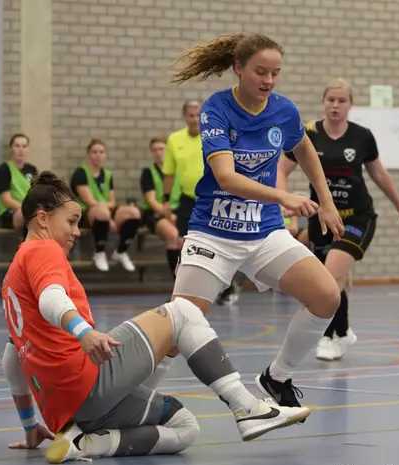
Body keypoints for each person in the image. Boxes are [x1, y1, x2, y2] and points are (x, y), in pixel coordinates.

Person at [0, 172, 310, 464]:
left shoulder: (13, 275)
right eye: (71, 221)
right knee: (183, 312)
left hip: (67, 412)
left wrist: (30, 424)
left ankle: (84, 443)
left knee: (185, 426)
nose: (77, 231)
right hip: (88, 385)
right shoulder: (43, 250)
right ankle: (247, 407)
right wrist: (84, 333)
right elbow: (51, 298)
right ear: (42, 217)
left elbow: (12, 358)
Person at [159, 32, 344, 410]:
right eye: (261, 71)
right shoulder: (216, 108)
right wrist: (283, 195)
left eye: (275, 73)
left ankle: (277, 377)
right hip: (214, 233)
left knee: (327, 296)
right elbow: (226, 177)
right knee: (177, 331)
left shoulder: (284, 111)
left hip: (263, 232)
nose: (269, 81)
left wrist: (325, 200)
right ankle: (128, 399)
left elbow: (303, 147)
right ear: (239, 68)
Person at [278, 78, 399, 361]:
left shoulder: (362, 136)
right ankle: (344, 332)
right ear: (323, 103)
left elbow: (379, 174)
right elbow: (282, 169)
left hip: (357, 218)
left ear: (350, 104)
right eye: (331, 100)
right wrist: (284, 201)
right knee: (329, 282)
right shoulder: (309, 134)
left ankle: (330, 337)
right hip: (322, 220)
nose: (336, 106)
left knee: (331, 274)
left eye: (342, 101)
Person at [160, 100, 242, 305]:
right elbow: (169, 172)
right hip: (188, 199)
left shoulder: (214, 135)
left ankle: (227, 286)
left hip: (214, 196)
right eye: (191, 115)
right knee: (181, 242)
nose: (195, 119)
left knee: (219, 242)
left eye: (198, 115)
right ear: (185, 117)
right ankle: (181, 289)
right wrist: (166, 199)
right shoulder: (174, 140)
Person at [70, 138, 141, 273]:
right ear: (88, 154)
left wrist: (108, 212)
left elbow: (112, 201)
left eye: (101, 152)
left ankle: (121, 251)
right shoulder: (81, 173)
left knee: (133, 212)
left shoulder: (107, 174)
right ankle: (99, 252)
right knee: (102, 213)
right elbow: (89, 201)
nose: (98, 155)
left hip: (105, 211)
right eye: (94, 152)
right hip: (85, 213)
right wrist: (108, 217)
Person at [139, 137, 182, 277]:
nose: (158, 153)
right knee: (172, 234)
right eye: (155, 150)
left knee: (186, 239)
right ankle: (176, 280)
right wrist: (167, 214)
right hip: (154, 213)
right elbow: (151, 200)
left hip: (177, 211)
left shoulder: (179, 170)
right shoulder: (148, 173)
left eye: (161, 149)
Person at [0, 133, 38, 232]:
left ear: (28, 149)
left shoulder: (32, 169)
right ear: (11, 148)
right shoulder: (4, 169)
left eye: (24, 146)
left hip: (29, 211)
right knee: (26, 216)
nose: (21, 150)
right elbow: (6, 200)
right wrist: (28, 209)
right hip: (11, 212)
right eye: (17, 146)